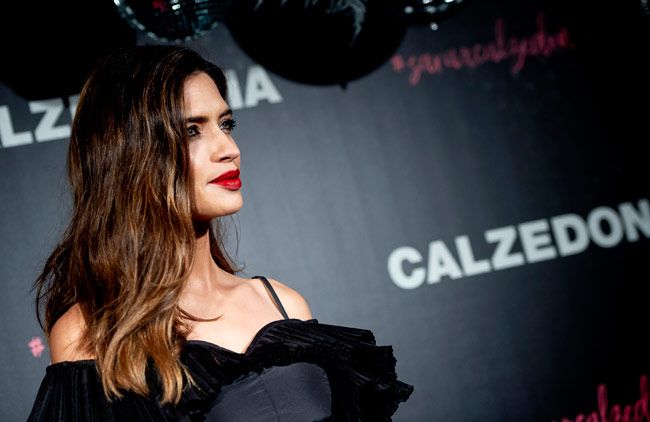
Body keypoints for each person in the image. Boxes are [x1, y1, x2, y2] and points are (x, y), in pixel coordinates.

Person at [27, 44, 413, 421]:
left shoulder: (283, 304)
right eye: (192, 130)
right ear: (131, 154)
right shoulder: (90, 333)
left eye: (226, 124)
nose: (228, 148)